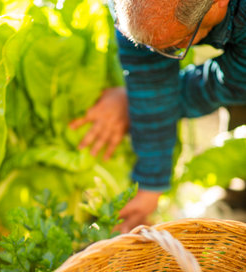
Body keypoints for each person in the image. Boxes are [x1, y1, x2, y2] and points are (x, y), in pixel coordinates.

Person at [70, 0, 246, 232]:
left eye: (174, 46)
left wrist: (137, 102)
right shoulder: (136, 12)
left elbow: (225, 84)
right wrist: (150, 184)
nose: (159, 53)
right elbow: (151, 79)